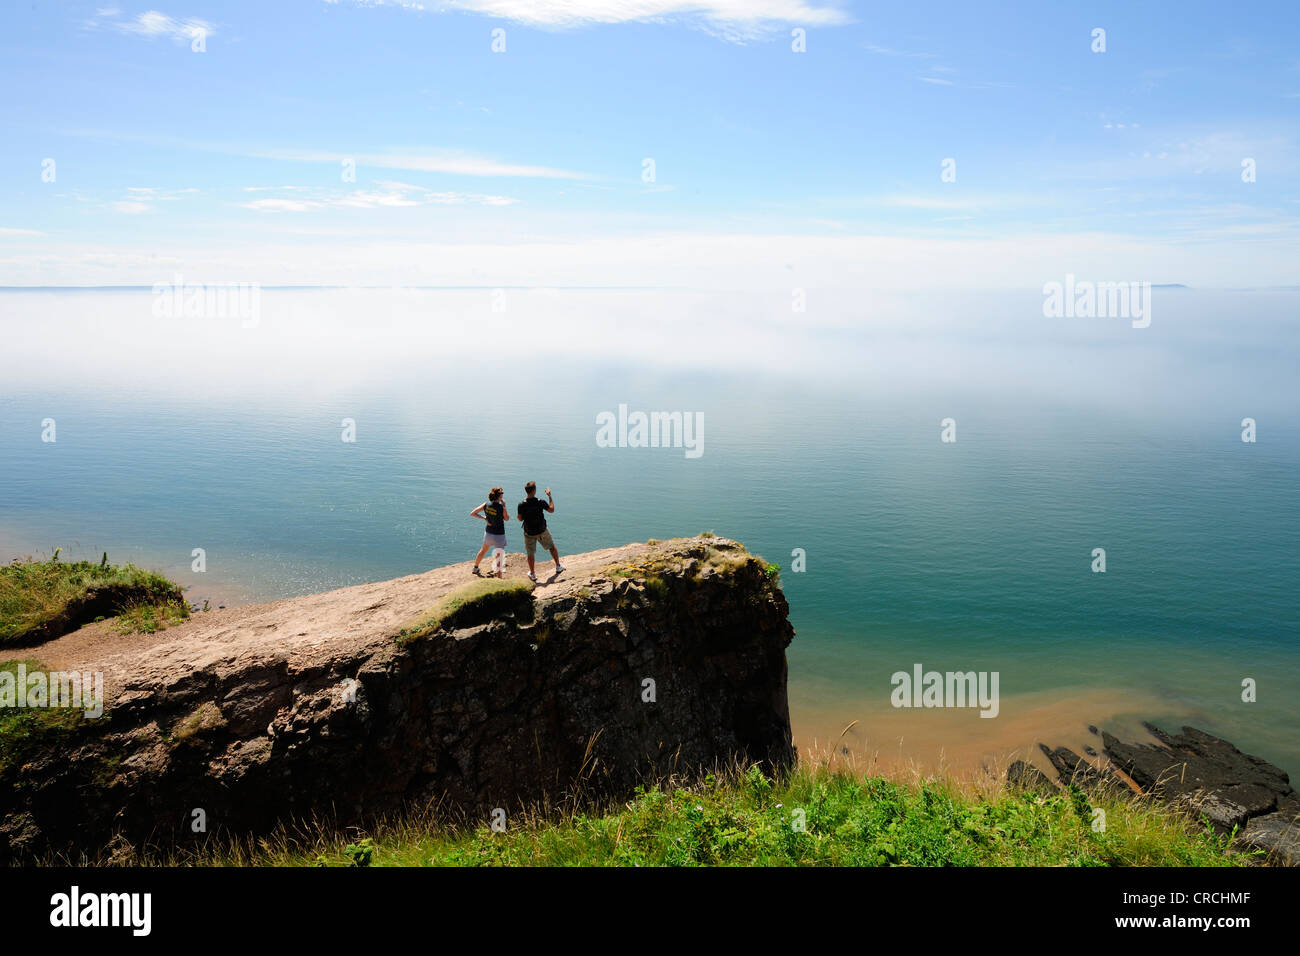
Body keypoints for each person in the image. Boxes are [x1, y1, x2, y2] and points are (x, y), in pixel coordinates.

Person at [517, 481, 564, 582]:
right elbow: (551, 510)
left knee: (530, 553)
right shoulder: (540, 501)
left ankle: (533, 574)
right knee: (551, 547)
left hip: (529, 532)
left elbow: (520, 519)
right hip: (542, 530)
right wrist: (550, 496)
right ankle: (558, 566)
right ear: (534, 490)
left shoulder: (521, 504)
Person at [470, 487, 511, 577]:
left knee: (483, 551)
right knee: (499, 557)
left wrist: (484, 518)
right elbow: (507, 518)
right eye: (502, 495)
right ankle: (499, 579)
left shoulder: (486, 504)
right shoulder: (500, 507)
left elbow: (473, 513)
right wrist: (504, 506)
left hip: (488, 533)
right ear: (499, 497)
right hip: (499, 535)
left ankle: (475, 568)